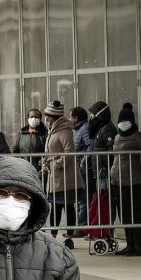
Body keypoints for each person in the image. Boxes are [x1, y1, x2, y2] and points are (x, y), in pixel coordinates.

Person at [109, 103, 141, 256]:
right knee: (125, 214)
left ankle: (138, 246)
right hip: (119, 181)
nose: (122, 123)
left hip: (135, 181)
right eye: (121, 120)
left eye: (125, 120)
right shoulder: (117, 136)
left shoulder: (138, 137)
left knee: (137, 213)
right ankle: (130, 244)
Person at [41, 101, 83, 240]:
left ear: (53, 116)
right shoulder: (52, 130)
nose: (45, 118)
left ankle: (69, 237)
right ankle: (53, 236)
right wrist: (46, 165)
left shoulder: (64, 131)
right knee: (56, 207)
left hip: (65, 177)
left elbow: (69, 151)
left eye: (47, 115)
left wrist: (57, 164)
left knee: (67, 207)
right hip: (55, 176)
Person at [69, 107, 91, 235]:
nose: (69, 119)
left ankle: (82, 227)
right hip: (77, 168)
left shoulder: (84, 129)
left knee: (83, 198)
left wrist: (83, 163)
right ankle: (80, 225)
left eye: (71, 117)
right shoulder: (77, 129)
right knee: (79, 198)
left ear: (76, 118)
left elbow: (90, 146)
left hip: (83, 169)